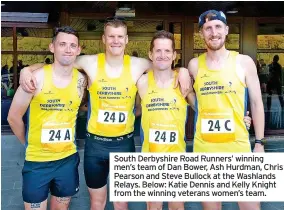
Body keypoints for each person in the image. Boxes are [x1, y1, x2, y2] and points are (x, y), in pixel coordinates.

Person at [19, 17, 190, 210]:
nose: (115, 41)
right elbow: (61, 62)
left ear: (126, 40)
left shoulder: (138, 65)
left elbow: (164, 66)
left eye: (120, 36)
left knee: (121, 203)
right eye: (111, 36)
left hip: (124, 144)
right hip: (95, 146)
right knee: (97, 203)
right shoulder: (90, 62)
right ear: (104, 38)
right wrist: (28, 69)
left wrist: (182, 70)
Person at [138, 30, 252, 210]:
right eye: (158, 51)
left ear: (174, 55)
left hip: (177, 157)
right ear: (150, 54)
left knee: (177, 207)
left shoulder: (183, 84)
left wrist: (240, 119)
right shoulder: (141, 82)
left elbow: (203, 108)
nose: (163, 55)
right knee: (154, 207)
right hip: (150, 157)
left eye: (168, 51)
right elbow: (134, 109)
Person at [187, 10, 265, 210]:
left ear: (227, 30)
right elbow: (192, 98)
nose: (214, 32)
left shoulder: (243, 62)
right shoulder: (194, 65)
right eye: (208, 28)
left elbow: (256, 103)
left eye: (218, 27)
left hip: (237, 148)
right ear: (201, 33)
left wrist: (259, 143)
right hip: (205, 150)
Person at [7, 26, 87, 210]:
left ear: (78, 50)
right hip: (38, 162)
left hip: (67, 159)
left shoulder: (82, 80)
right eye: (62, 44)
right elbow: (13, 117)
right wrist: (28, 143)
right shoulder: (36, 78)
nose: (67, 49)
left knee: (62, 207)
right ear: (52, 47)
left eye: (72, 45)